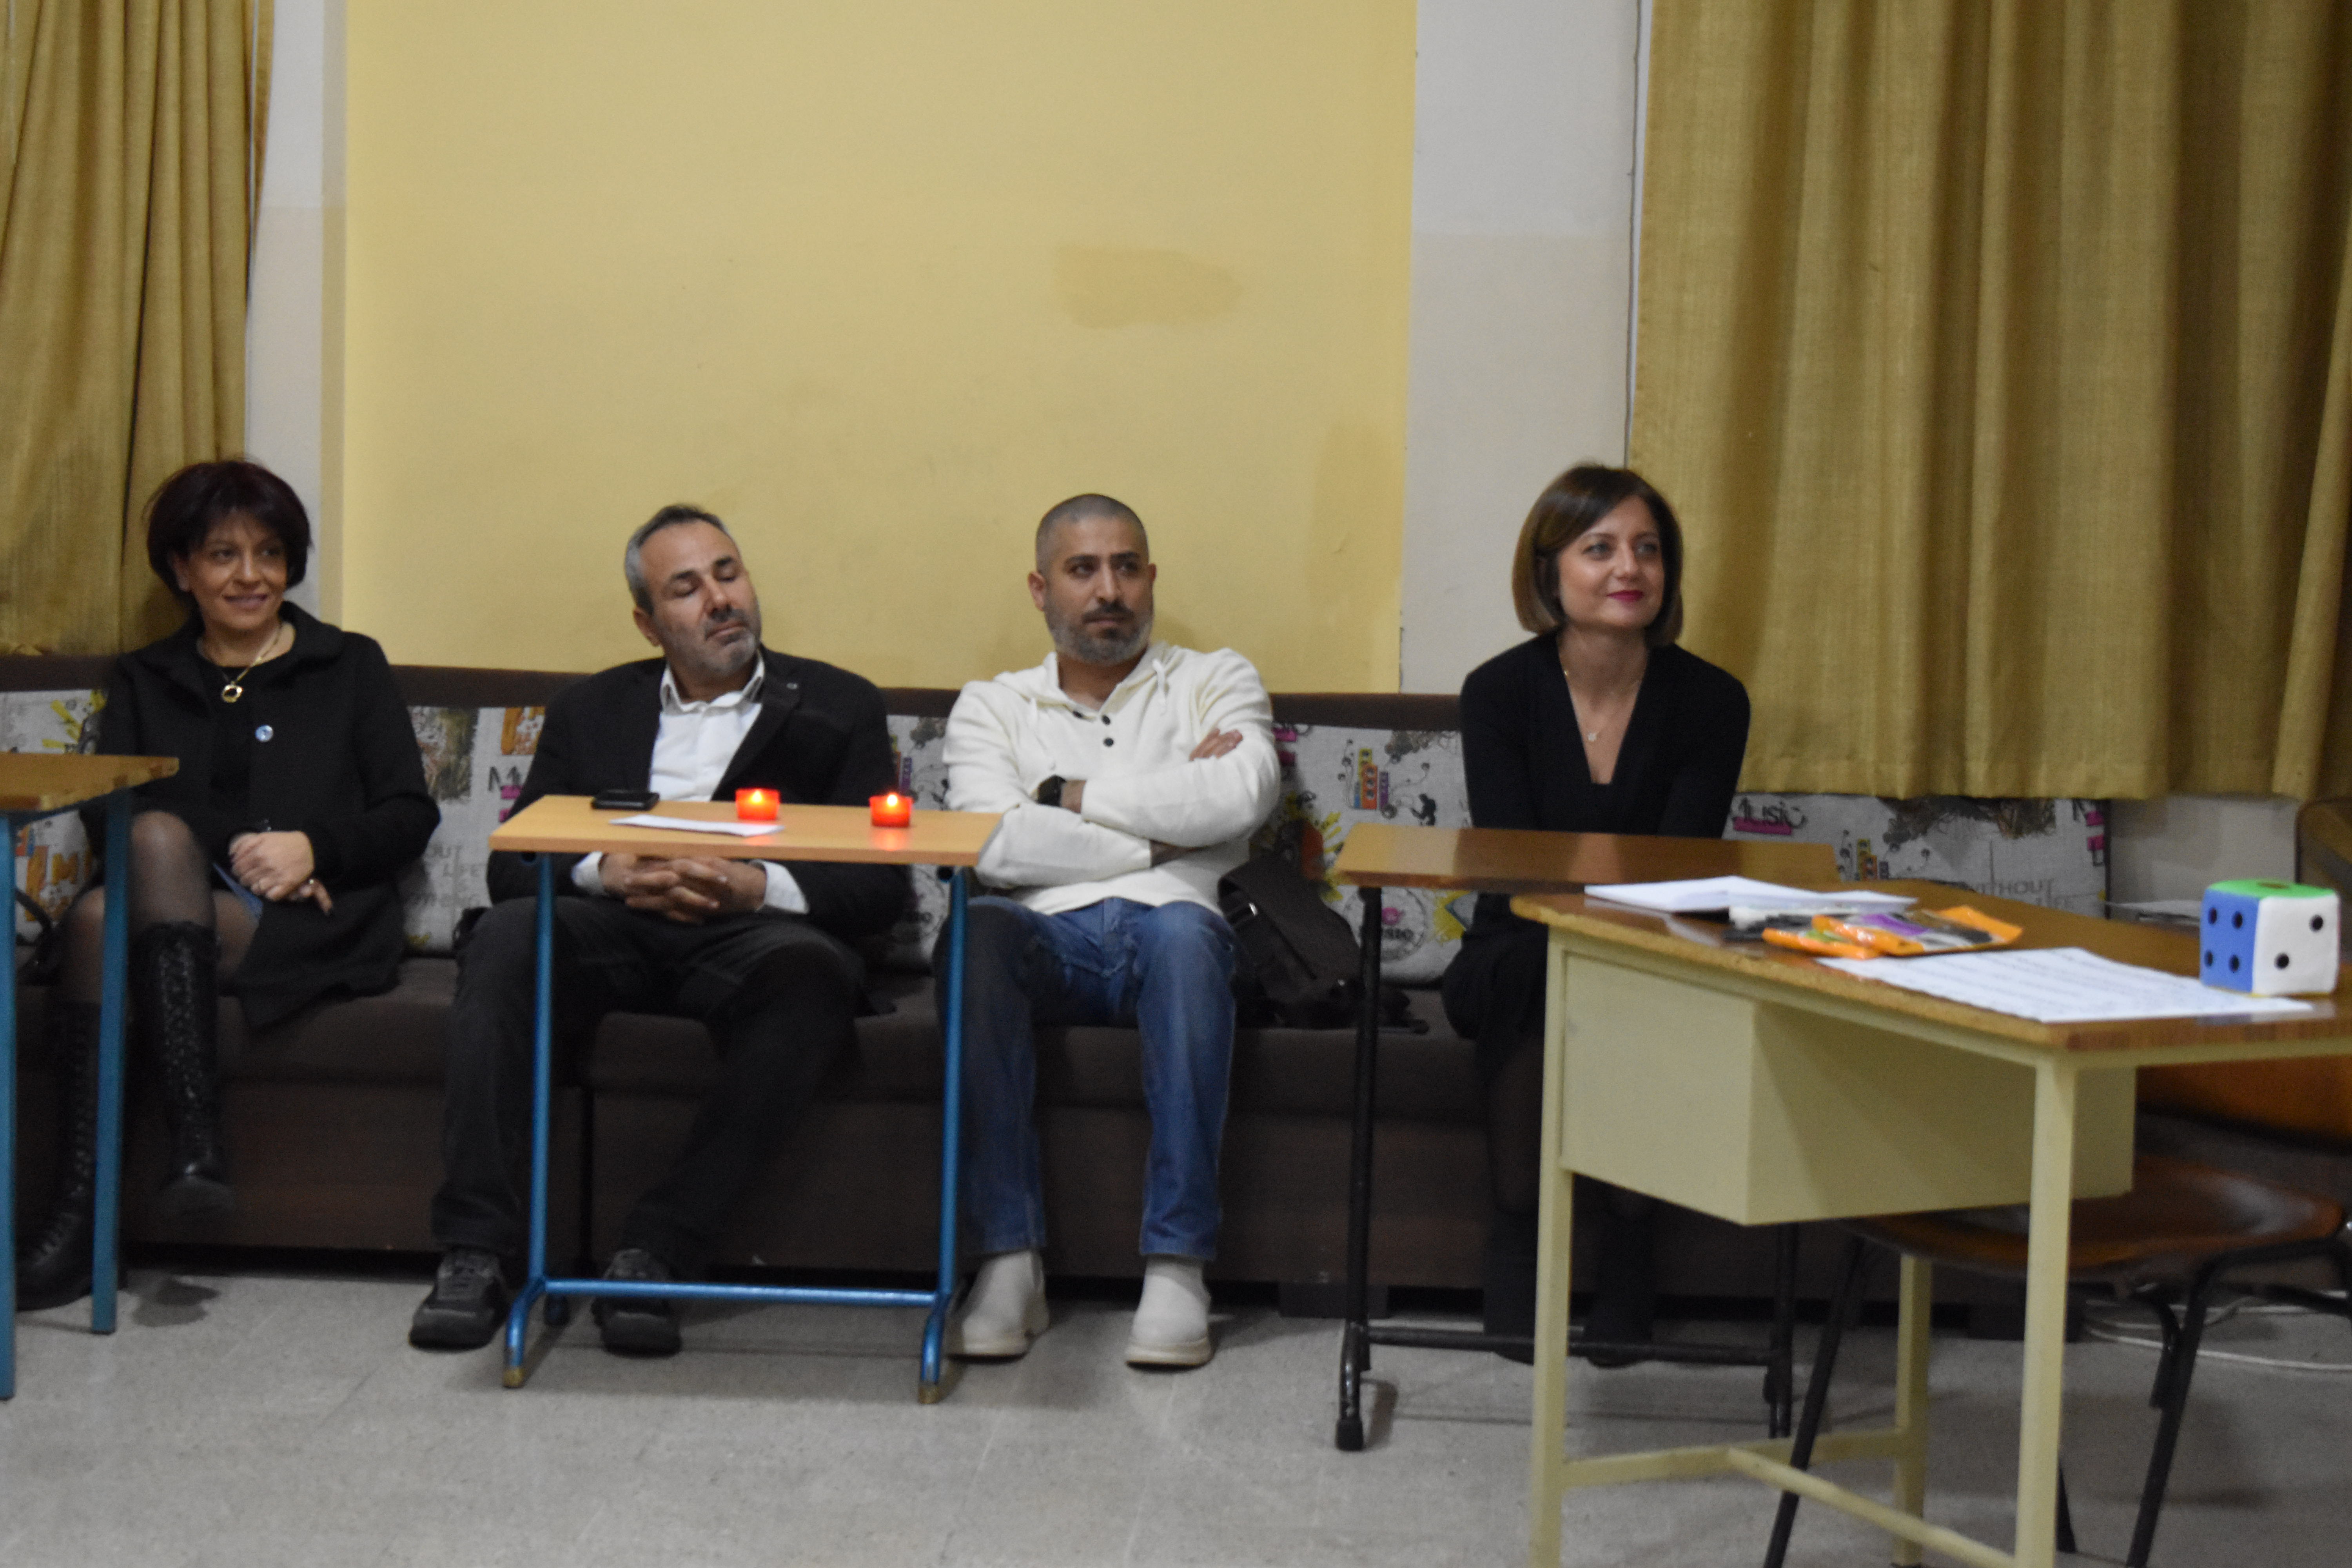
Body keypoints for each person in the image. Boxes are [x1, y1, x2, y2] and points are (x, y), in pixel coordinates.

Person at [408, 505, 907, 1357]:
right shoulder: (591, 709)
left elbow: (879, 888)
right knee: (507, 937)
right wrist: (606, 870)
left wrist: (755, 886)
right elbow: (512, 865)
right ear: (648, 622)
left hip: (751, 934)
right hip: (610, 922)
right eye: (687, 588)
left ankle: (657, 1253)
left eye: (728, 573)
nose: (721, 599)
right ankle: (476, 1251)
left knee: (813, 977)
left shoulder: (837, 704)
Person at [15, 459, 439, 1309]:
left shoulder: (349, 663)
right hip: (193, 901)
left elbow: (407, 812)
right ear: (182, 569)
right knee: (137, 856)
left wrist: (313, 848)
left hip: (319, 917)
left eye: (269, 553)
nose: (251, 576)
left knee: (101, 923)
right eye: (223, 554)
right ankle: (186, 1149)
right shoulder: (145, 676)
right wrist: (247, 849)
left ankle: (84, 1222)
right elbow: (108, 812)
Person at [938, 494, 1278, 1370]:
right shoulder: (992, 706)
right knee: (976, 934)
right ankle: (1009, 1262)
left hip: (1179, 933)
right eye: (1082, 569)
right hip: (1040, 935)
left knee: (1184, 937)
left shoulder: (1216, 678)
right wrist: (1166, 833)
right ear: (1040, 588)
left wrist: (1067, 796)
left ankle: (1178, 1268)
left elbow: (1241, 795)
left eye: (1127, 567)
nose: (1108, 590)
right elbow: (996, 846)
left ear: (1151, 578)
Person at [1441, 464, 1749, 1362]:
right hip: (1520, 936)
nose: (1629, 568)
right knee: (1540, 969)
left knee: (1631, 979)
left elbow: (1678, 861)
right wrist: (1584, 915)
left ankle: (1628, 1239)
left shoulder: (1713, 699)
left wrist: (1617, 925)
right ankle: (1518, 1227)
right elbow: (1519, 863)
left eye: (1648, 549)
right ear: (1550, 571)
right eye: (1601, 547)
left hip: (1657, 940)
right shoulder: (1497, 691)